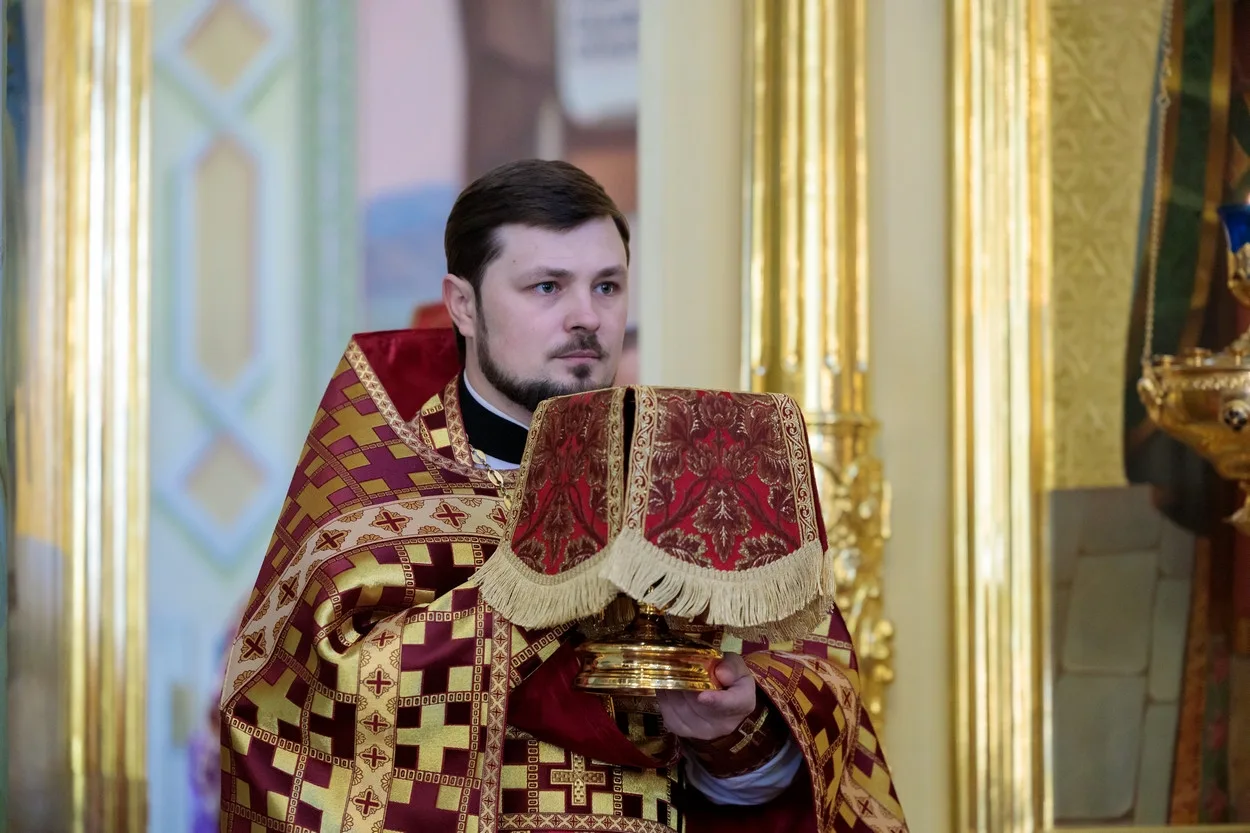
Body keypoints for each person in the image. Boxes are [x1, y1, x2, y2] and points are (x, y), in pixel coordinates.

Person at [218, 159, 907, 832]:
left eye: (607, 286)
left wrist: (734, 730)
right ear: (463, 305)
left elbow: (815, 736)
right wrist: (546, 576)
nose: (587, 317)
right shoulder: (377, 483)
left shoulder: (691, 475)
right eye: (547, 287)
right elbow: (293, 715)